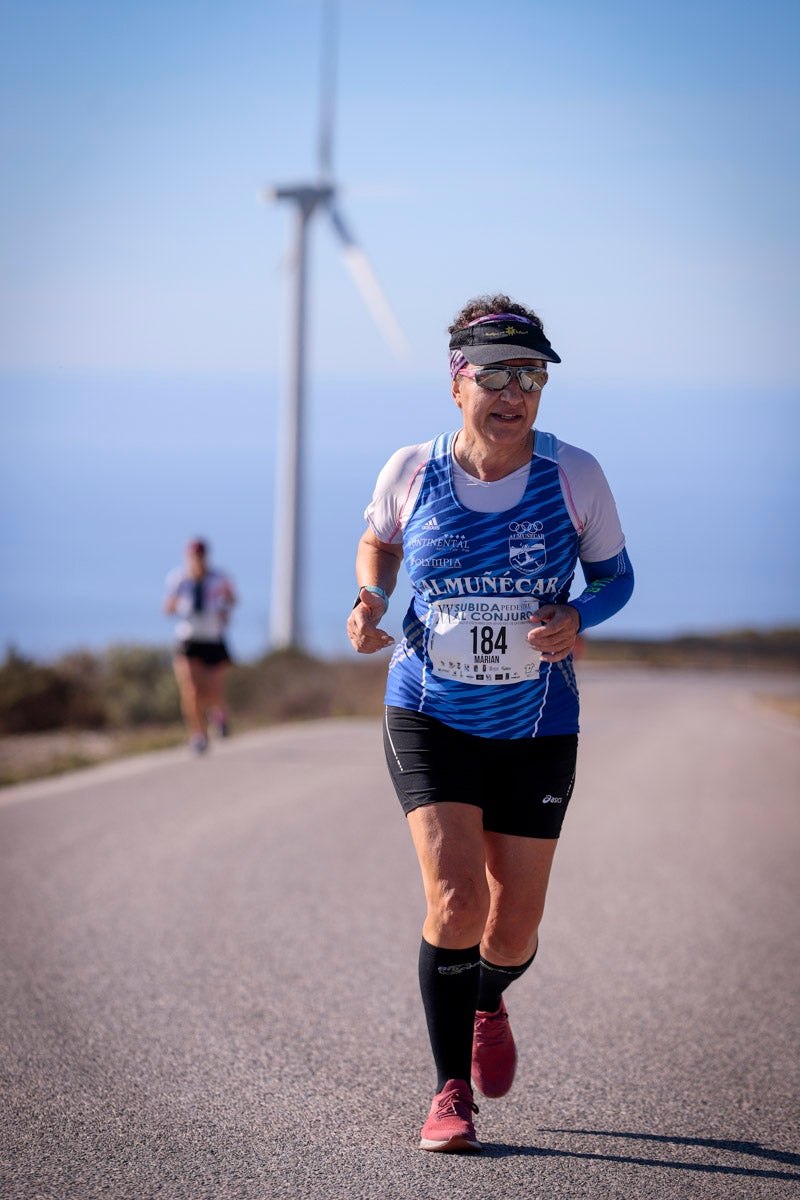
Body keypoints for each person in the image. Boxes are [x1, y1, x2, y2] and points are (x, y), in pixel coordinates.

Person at [347, 295, 634, 1152]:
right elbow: (380, 540)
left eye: (533, 377)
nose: (516, 394)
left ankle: (488, 995)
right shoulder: (410, 469)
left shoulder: (573, 473)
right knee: (457, 897)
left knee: (511, 926)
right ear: (457, 379)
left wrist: (581, 618)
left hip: (538, 721)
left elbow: (616, 578)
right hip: (429, 711)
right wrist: (369, 597)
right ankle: (448, 1092)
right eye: (499, 375)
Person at [163, 538, 237, 754]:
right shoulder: (178, 579)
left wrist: (223, 610)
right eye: (193, 556)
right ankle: (198, 734)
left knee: (213, 692)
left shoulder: (219, 578)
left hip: (213, 639)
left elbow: (232, 599)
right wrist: (177, 605)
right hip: (188, 639)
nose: (197, 560)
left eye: (200, 556)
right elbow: (167, 607)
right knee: (191, 690)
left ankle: (219, 715)